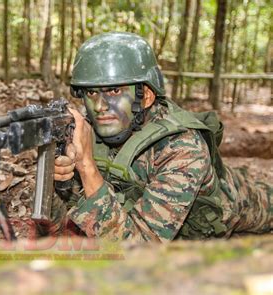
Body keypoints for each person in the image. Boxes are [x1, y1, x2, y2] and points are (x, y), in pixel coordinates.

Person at [47, 32, 272, 242]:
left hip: (246, 203)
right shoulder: (86, 131)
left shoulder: (184, 147)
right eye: (91, 92)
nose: (100, 106)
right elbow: (63, 223)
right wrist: (65, 184)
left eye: (115, 91)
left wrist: (87, 167)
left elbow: (139, 247)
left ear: (145, 96)